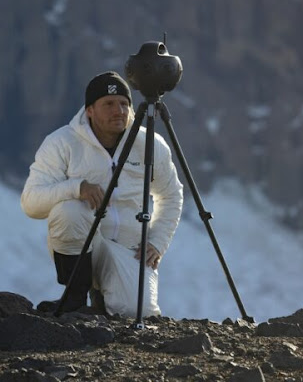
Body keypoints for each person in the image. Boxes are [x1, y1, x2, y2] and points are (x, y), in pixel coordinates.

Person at [20, 71, 183, 316]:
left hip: (129, 249)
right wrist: (76, 188)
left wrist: (157, 241)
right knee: (70, 210)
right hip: (82, 243)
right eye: (108, 104)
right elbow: (31, 203)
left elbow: (171, 195)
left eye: (124, 104)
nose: (118, 111)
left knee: (138, 313)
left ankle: (103, 297)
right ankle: (75, 297)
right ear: (89, 110)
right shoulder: (62, 142)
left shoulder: (149, 143)